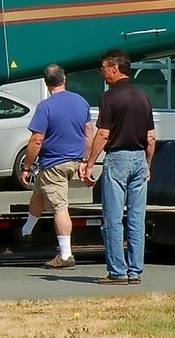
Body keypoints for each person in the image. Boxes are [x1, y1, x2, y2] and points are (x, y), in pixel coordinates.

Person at [79, 49, 156, 285]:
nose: (102, 73)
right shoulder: (143, 96)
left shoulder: (110, 98)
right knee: (136, 217)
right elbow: (151, 137)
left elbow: (103, 134)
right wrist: (148, 164)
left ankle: (117, 271)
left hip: (118, 158)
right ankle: (135, 271)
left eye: (103, 68)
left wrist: (89, 163)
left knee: (112, 217)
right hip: (139, 158)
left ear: (115, 68)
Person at [17, 64, 93, 269]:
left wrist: (26, 167)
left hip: (54, 164)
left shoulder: (45, 107)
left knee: (60, 207)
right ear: (64, 79)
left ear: (46, 82)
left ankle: (66, 255)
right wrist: (86, 161)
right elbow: (88, 133)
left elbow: (36, 140)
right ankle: (27, 231)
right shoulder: (81, 102)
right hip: (73, 162)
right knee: (39, 193)